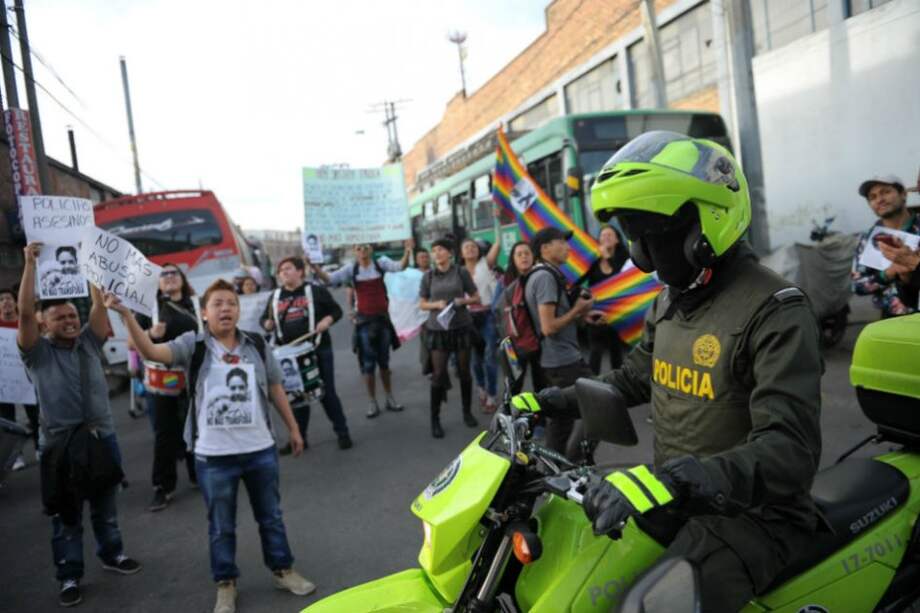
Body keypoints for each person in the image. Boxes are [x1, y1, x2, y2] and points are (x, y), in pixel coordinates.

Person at [526, 131, 823, 612]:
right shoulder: (670, 300)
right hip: (679, 498)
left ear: (710, 222)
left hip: (755, 519)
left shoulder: (775, 311)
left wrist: (679, 480)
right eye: (636, 234)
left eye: (655, 231)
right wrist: (552, 400)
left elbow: (791, 450)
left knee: (649, 606)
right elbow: (633, 378)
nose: (645, 250)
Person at [112, 278, 314, 613]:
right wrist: (125, 316)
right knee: (221, 525)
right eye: (217, 304)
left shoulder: (257, 344)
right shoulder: (194, 344)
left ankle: (283, 569)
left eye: (231, 303)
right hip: (214, 456)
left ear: (238, 310)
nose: (225, 309)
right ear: (204, 313)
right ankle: (226, 583)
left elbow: (275, 386)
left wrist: (293, 427)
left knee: (272, 517)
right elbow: (151, 352)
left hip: (260, 449)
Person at [17, 242, 141, 608]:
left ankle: (112, 554)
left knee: (105, 506)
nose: (70, 322)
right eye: (61, 318)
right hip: (58, 445)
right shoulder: (36, 352)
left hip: (101, 438)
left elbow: (98, 306)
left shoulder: (89, 341)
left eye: (73, 316)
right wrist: (28, 264)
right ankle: (69, 574)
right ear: (44, 323)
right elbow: (24, 312)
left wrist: (91, 267)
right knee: (66, 516)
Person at [313, 240, 413, 418]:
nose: (363, 251)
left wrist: (407, 251)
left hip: (382, 321)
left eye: (366, 247)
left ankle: (390, 397)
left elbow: (400, 267)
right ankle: (372, 401)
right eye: (359, 248)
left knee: (384, 363)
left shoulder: (381, 263)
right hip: (364, 322)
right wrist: (314, 267)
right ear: (354, 251)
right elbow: (329, 279)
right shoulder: (351, 269)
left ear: (371, 249)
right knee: (368, 365)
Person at [262, 256, 352, 451]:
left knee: (326, 392)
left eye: (288, 268)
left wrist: (327, 320)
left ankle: (343, 433)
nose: (283, 272)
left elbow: (336, 311)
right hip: (289, 355)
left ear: (300, 272)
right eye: (281, 270)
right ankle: (299, 438)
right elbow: (264, 320)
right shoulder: (275, 296)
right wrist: (266, 324)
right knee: (297, 397)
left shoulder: (316, 291)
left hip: (318, 349)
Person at [524, 227, 596, 456]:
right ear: (545, 248)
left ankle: (554, 470)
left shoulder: (545, 273)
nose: (568, 247)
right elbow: (548, 327)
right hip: (563, 361)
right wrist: (578, 309)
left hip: (555, 360)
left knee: (561, 420)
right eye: (562, 243)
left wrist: (584, 316)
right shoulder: (545, 277)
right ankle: (575, 463)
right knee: (600, 408)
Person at [133, 264, 200, 512]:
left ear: (182, 278)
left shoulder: (197, 304)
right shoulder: (149, 308)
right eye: (164, 274)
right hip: (162, 381)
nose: (169, 277)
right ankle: (163, 487)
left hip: (193, 376)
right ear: (158, 282)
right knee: (164, 434)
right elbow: (132, 341)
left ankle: (198, 474)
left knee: (196, 426)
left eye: (174, 273)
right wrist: (150, 332)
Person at [418, 238, 481, 438]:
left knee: (464, 371)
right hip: (437, 330)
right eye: (434, 250)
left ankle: (467, 412)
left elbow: (477, 297)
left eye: (441, 250)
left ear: (450, 254)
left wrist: (464, 300)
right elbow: (422, 304)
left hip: (461, 327)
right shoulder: (428, 276)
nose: (436, 254)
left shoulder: (460, 272)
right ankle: (435, 420)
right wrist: (435, 305)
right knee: (438, 374)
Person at [852, 175, 920, 318]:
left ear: (903, 194)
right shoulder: (866, 239)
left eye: (885, 192)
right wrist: (888, 273)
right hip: (891, 319)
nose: (879, 199)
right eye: (873, 197)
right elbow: (857, 285)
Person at [493, 241, 546, 394]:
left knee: (542, 386)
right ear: (513, 259)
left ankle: (539, 417)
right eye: (519, 254)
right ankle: (512, 416)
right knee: (514, 387)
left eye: (527, 253)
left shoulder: (540, 278)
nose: (524, 257)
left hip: (540, 342)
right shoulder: (505, 282)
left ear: (533, 257)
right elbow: (496, 309)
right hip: (514, 344)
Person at [460, 238, 501, 413]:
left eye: (473, 247)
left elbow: (497, 244)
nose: (470, 249)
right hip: (467, 318)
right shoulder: (458, 271)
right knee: (475, 358)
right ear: (461, 253)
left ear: (478, 251)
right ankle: (481, 387)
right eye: (466, 247)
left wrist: (498, 220)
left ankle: (491, 394)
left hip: (488, 315)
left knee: (490, 355)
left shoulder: (486, 264)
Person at [0, 287, 39, 470]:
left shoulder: (25, 324)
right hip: (4, 382)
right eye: (1, 300)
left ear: (16, 302)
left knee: (35, 414)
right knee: (8, 421)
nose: (5, 302)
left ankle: (40, 447)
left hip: (28, 378)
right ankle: (16, 457)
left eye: (8, 298)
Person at [583, 224, 630, 374]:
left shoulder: (624, 258)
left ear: (617, 240)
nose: (606, 238)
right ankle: (592, 384)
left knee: (617, 353)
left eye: (610, 235)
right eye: (603, 235)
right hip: (596, 312)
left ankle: (618, 387)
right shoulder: (593, 260)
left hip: (616, 314)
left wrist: (608, 258)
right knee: (595, 352)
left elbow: (620, 280)